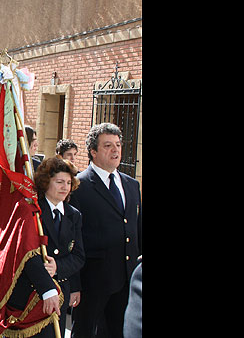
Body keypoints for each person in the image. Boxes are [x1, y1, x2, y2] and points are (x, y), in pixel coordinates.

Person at [69, 123, 142, 338]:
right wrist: (74, 284)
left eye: (118, 145)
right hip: (93, 282)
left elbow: (136, 227)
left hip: (126, 279)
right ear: (93, 151)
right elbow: (73, 239)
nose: (116, 150)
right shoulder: (79, 186)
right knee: (84, 332)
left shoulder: (131, 185)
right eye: (108, 145)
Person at [33, 157, 85, 337]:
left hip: (61, 290)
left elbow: (78, 255)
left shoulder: (74, 215)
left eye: (69, 182)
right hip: (35, 293)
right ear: (46, 182)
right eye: (59, 182)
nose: (65, 187)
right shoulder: (34, 211)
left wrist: (59, 268)